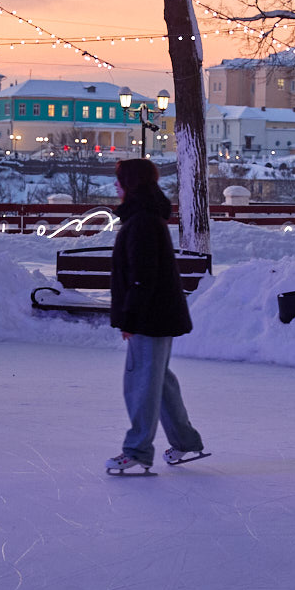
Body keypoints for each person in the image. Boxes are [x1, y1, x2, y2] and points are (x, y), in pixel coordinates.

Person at [104, 158, 207, 475]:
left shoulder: (142, 222)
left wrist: (130, 318)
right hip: (157, 315)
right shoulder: (144, 218)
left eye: (120, 180)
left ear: (131, 184)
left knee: (141, 383)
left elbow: (141, 277)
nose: (116, 186)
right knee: (158, 381)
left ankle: (137, 450)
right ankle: (185, 442)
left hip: (149, 317)